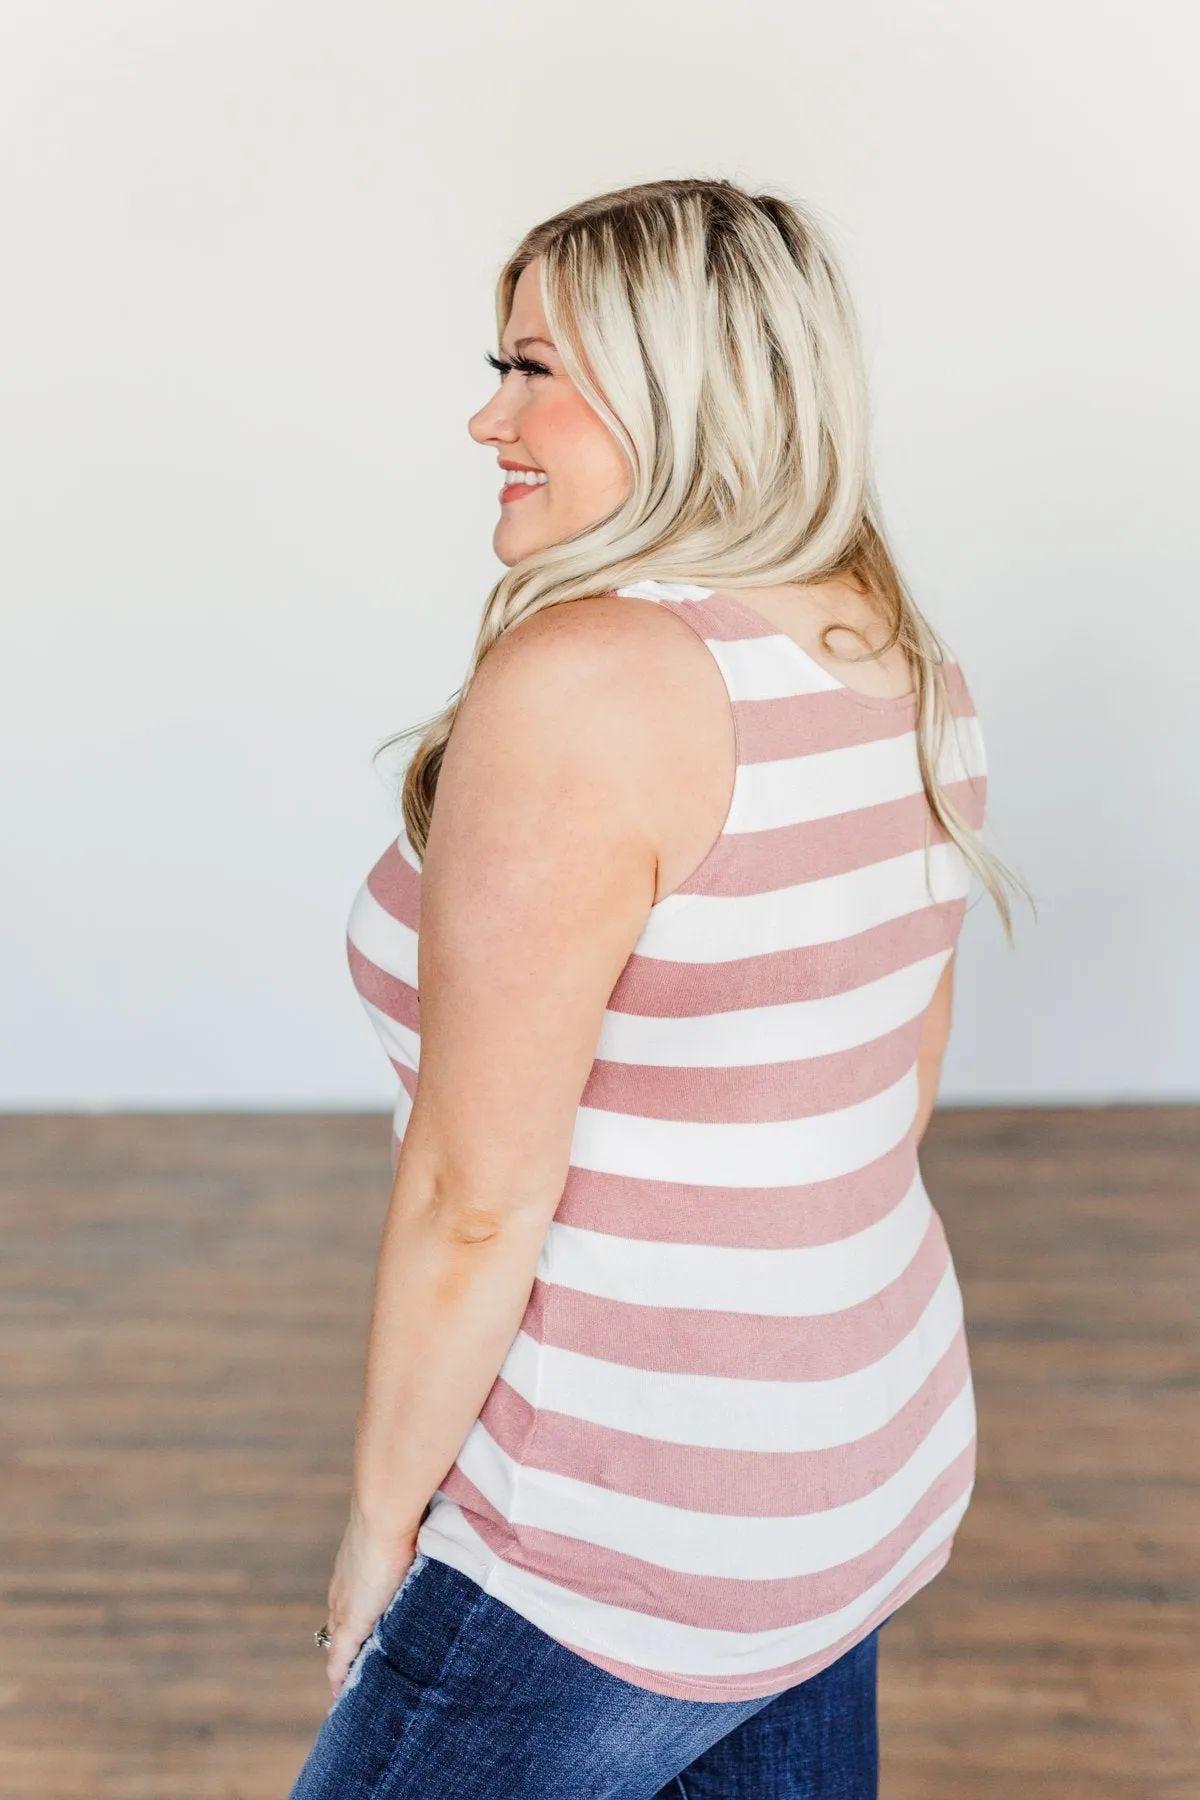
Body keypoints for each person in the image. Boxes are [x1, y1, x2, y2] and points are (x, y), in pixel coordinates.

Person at [288, 177, 1017, 1799]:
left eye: (534, 368)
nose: (490, 419)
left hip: (613, 1531)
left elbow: (478, 1199)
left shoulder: (589, 690)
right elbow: (891, 1084)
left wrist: (378, 1524)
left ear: (679, 380)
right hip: (860, 1458)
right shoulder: (895, 655)